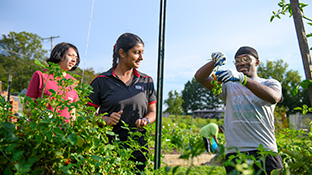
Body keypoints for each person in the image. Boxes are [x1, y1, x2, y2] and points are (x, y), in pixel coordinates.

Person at [194, 46, 283, 174]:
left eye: (246, 59)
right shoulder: (228, 87)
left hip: (265, 150)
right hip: (235, 152)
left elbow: (274, 97)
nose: (241, 63)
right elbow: (200, 78)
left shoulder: (269, 83)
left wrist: (243, 79)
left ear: (257, 62)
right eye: (237, 61)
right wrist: (213, 62)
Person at [87, 33, 157, 173]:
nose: (141, 58)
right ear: (122, 53)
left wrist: (146, 120)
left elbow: (153, 112)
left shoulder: (146, 81)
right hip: (108, 148)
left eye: (142, 53)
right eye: (137, 53)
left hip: (138, 148)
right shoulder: (101, 81)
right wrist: (105, 119)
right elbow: (86, 114)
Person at [24, 42, 80, 123]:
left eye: (76, 57)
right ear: (59, 54)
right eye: (70, 55)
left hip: (64, 132)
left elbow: (72, 112)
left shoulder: (72, 82)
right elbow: (26, 107)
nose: (74, 60)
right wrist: (43, 115)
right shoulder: (41, 75)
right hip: (43, 129)